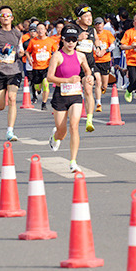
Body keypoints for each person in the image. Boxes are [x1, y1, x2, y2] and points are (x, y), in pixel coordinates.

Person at [47, 24, 94, 173]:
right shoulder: (57, 56)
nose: (71, 43)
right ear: (63, 40)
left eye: (74, 40)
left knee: (74, 125)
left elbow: (87, 70)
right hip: (60, 95)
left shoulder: (80, 55)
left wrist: (89, 77)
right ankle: (55, 137)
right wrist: (67, 80)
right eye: (68, 40)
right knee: (62, 131)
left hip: (75, 95)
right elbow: (49, 77)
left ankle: (73, 161)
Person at [0, 6, 24, 142]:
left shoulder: (18, 34)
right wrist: (0, 51)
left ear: (12, 18)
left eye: (8, 15)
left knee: (12, 99)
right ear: (0, 18)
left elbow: (20, 49)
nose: (5, 17)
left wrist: (21, 53)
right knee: (0, 106)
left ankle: (10, 131)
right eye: (3, 15)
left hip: (15, 70)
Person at [73, 5, 102, 130]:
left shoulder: (92, 30)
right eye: (86, 16)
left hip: (88, 66)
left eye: (90, 16)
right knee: (73, 94)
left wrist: (98, 47)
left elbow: (96, 40)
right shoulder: (73, 29)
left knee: (88, 90)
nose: (89, 19)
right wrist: (77, 39)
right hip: (74, 66)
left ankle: (89, 120)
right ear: (79, 18)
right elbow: (62, 44)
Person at [25, 23, 58, 110]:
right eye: (38, 29)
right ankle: (38, 90)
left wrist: (54, 59)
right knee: (37, 86)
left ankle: (44, 103)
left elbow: (56, 51)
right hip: (36, 67)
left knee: (46, 84)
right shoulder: (33, 41)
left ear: (45, 30)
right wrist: (30, 59)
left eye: (42, 29)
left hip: (46, 67)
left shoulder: (50, 41)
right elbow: (27, 52)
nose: (40, 31)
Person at [92, 17, 116, 108]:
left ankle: (103, 89)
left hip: (105, 60)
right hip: (95, 61)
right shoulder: (92, 35)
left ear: (103, 24)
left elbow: (113, 45)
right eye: (97, 24)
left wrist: (104, 51)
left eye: (100, 24)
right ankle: (98, 102)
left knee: (104, 85)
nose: (99, 26)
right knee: (98, 81)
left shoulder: (107, 33)